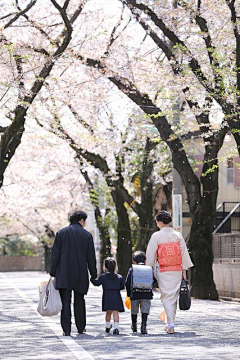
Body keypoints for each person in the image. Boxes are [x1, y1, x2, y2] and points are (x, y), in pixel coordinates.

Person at [50, 210, 97, 336]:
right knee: (79, 300)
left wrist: (53, 271)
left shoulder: (61, 233)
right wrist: (93, 274)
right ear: (81, 220)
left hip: (63, 273)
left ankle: (66, 329)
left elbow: (55, 255)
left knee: (65, 301)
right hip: (80, 273)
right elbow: (91, 257)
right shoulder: (86, 235)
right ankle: (81, 327)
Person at [146, 210, 193, 334]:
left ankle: (170, 323)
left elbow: (151, 254)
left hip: (163, 269)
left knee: (166, 296)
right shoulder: (177, 235)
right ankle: (170, 322)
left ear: (160, 222)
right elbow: (183, 253)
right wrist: (184, 269)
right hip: (176, 269)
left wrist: (149, 267)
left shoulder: (156, 236)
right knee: (173, 297)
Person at [90, 257, 125, 335]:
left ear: (105, 267)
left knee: (108, 312)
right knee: (116, 312)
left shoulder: (103, 277)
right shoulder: (119, 277)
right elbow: (122, 286)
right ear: (115, 267)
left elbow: (97, 283)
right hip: (116, 296)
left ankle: (107, 326)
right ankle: (116, 328)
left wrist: (91, 279)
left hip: (107, 296)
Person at [125, 251, 153, 335]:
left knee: (134, 311)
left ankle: (134, 326)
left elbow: (127, 282)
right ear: (145, 261)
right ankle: (144, 326)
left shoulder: (132, 269)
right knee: (145, 310)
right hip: (147, 294)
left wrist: (129, 294)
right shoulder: (149, 269)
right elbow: (153, 280)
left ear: (134, 261)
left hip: (135, 293)